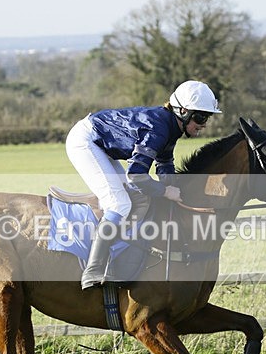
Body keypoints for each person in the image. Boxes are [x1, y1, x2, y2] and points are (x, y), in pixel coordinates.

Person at [66, 80, 221, 289]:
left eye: (207, 117)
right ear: (183, 111)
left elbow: (164, 162)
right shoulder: (160, 128)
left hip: (101, 146)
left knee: (133, 199)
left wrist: (177, 188)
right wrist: (166, 191)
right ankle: (93, 270)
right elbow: (136, 176)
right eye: (201, 117)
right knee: (118, 203)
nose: (204, 124)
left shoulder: (170, 126)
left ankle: (116, 259)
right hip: (85, 141)